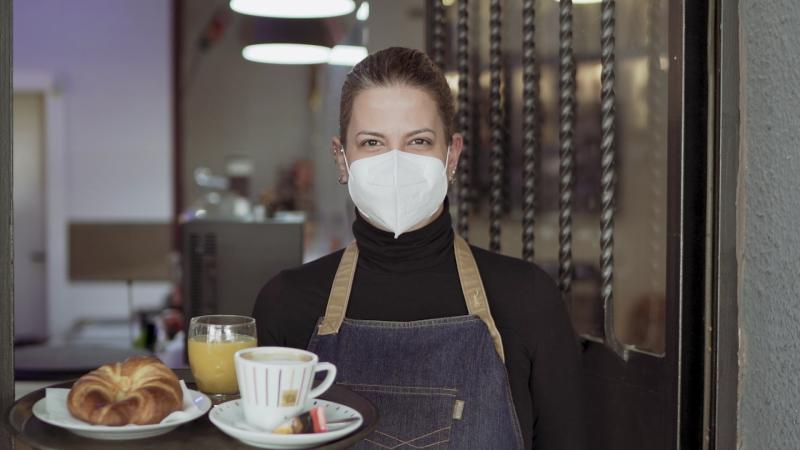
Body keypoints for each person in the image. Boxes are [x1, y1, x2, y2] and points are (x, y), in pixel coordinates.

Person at [253, 47, 585, 450]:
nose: (396, 163)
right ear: (342, 159)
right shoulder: (286, 304)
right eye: (372, 142)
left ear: (452, 155)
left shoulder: (527, 299)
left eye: (419, 141)